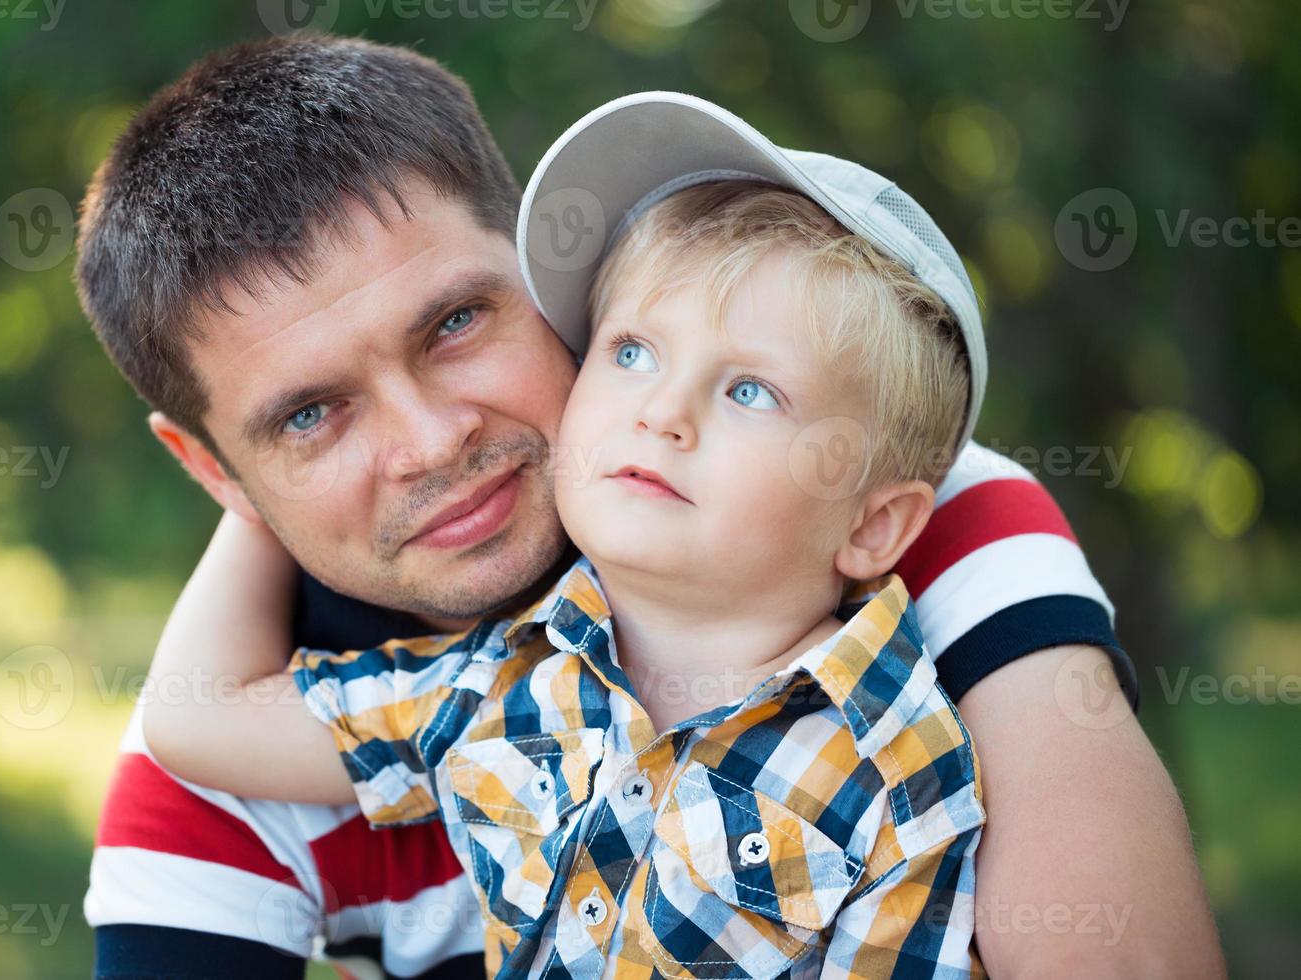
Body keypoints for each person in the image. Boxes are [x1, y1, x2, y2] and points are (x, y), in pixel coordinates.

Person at [76, 34, 1223, 980]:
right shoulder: (264, 762)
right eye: (307, 413)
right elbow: (200, 716)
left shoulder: (907, 517)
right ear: (214, 468)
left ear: (541, 265)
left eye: (455, 322)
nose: (434, 442)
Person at [143, 132, 989, 974]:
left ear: (874, 525)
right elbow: (196, 716)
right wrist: (251, 486)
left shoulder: (901, 769)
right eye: (631, 352)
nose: (661, 411)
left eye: (749, 391)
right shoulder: (497, 684)